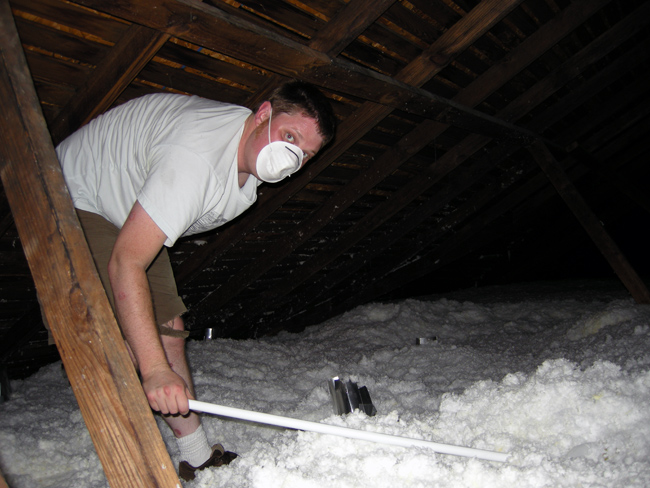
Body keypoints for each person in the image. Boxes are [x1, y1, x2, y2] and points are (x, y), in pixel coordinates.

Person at [55, 81, 336, 481]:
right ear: (262, 115)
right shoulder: (197, 158)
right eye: (289, 137)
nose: (291, 158)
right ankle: (131, 466)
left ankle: (197, 456)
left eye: (305, 154)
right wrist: (153, 370)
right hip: (75, 193)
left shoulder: (246, 161)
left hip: (126, 207)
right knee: (124, 342)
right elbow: (126, 263)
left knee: (170, 329)